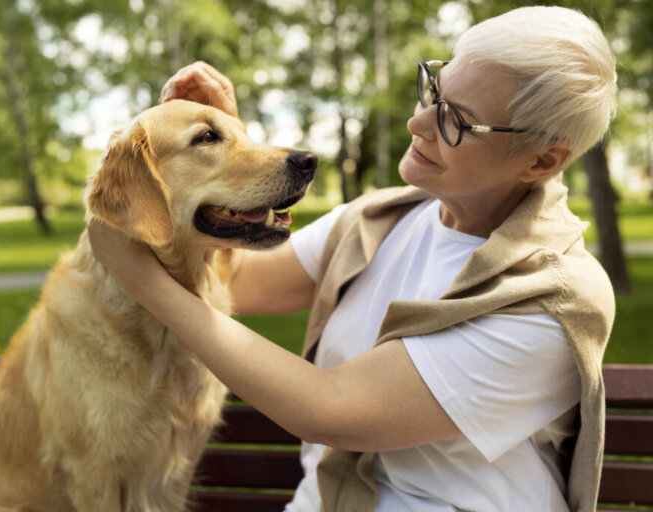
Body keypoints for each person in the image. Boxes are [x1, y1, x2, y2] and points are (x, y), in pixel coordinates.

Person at [88, 5, 617, 511]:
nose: (419, 122)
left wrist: (142, 281)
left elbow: (330, 409)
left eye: (457, 120)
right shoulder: (378, 221)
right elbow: (239, 279)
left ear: (541, 160)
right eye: (435, 90)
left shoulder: (553, 299)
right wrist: (227, 152)